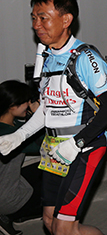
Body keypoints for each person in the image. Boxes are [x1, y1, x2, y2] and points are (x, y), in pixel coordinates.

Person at [0, 0, 107, 235]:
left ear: (66, 19)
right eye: (34, 18)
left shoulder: (85, 57)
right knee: (50, 222)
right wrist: (19, 136)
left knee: (65, 228)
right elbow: (47, 107)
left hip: (85, 148)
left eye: (43, 17)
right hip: (54, 149)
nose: (37, 25)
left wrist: (77, 143)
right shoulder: (47, 57)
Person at [0, 80, 43, 235]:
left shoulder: (10, 125)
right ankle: (9, 215)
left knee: (40, 168)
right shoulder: (9, 135)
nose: (29, 103)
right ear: (12, 106)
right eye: (25, 101)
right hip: (5, 199)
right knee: (59, 179)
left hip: (4, 187)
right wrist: (39, 115)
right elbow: (44, 145)